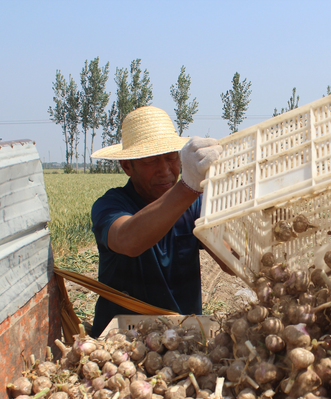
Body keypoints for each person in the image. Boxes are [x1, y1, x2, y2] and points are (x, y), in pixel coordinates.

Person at [88, 106, 228, 337]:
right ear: (127, 166)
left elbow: (229, 262)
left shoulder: (195, 205)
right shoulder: (110, 205)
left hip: (182, 336)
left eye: (171, 157)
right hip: (121, 340)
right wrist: (187, 187)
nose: (165, 170)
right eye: (150, 161)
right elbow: (128, 240)